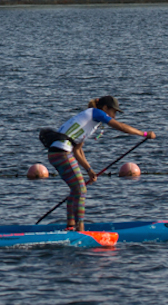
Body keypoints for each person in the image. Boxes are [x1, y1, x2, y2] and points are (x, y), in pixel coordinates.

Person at [46, 96, 155, 232]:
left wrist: (89, 170)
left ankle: (70, 226)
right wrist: (144, 133)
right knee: (80, 190)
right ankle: (80, 229)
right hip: (62, 153)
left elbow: (78, 150)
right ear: (105, 108)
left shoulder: (88, 120)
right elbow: (120, 127)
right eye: (113, 112)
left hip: (54, 154)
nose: (114, 116)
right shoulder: (95, 112)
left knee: (76, 190)